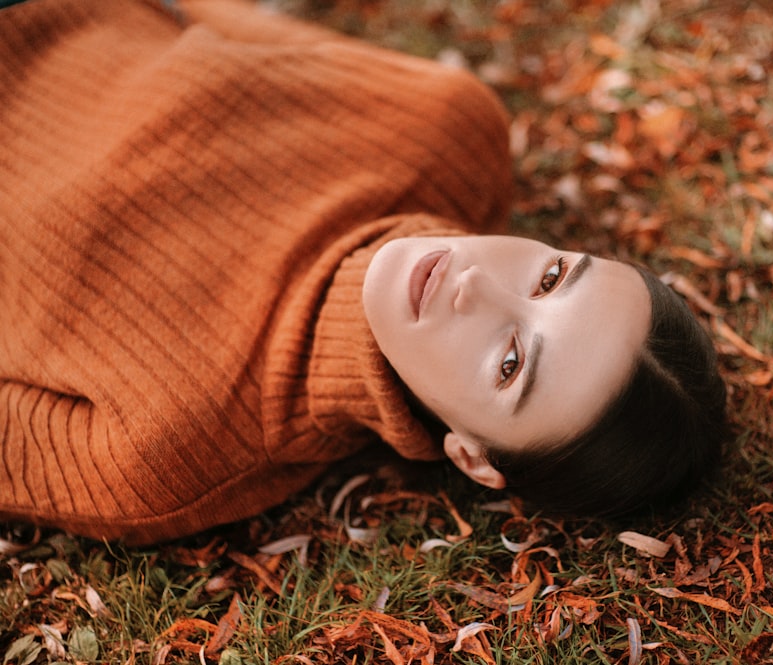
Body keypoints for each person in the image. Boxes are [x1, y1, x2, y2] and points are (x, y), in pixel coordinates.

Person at [0, 0, 728, 545]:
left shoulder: (161, 454)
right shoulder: (447, 130)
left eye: (510, 362)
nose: (475, 284)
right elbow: (191, 12)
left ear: (472, 458)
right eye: (548, 278)